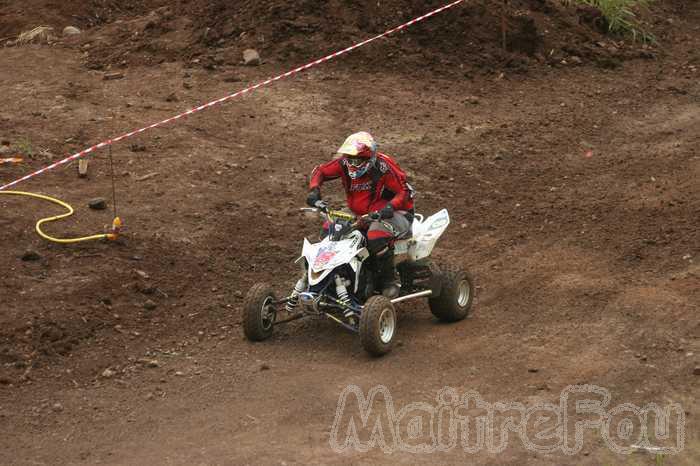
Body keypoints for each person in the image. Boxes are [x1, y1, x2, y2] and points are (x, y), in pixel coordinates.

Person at [306, 131, 414, 298]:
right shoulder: (344, 164)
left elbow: (404, 191)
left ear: (368, 158)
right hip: (360, 213)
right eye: (349, 158)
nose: (351, 163)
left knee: (375, 235)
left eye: (356, 160)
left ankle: (388, 281)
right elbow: (320, 171)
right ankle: (330, 278)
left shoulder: (383, 166)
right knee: (330, 229)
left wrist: (390, 207)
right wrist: (314, 190)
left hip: (395, 213)